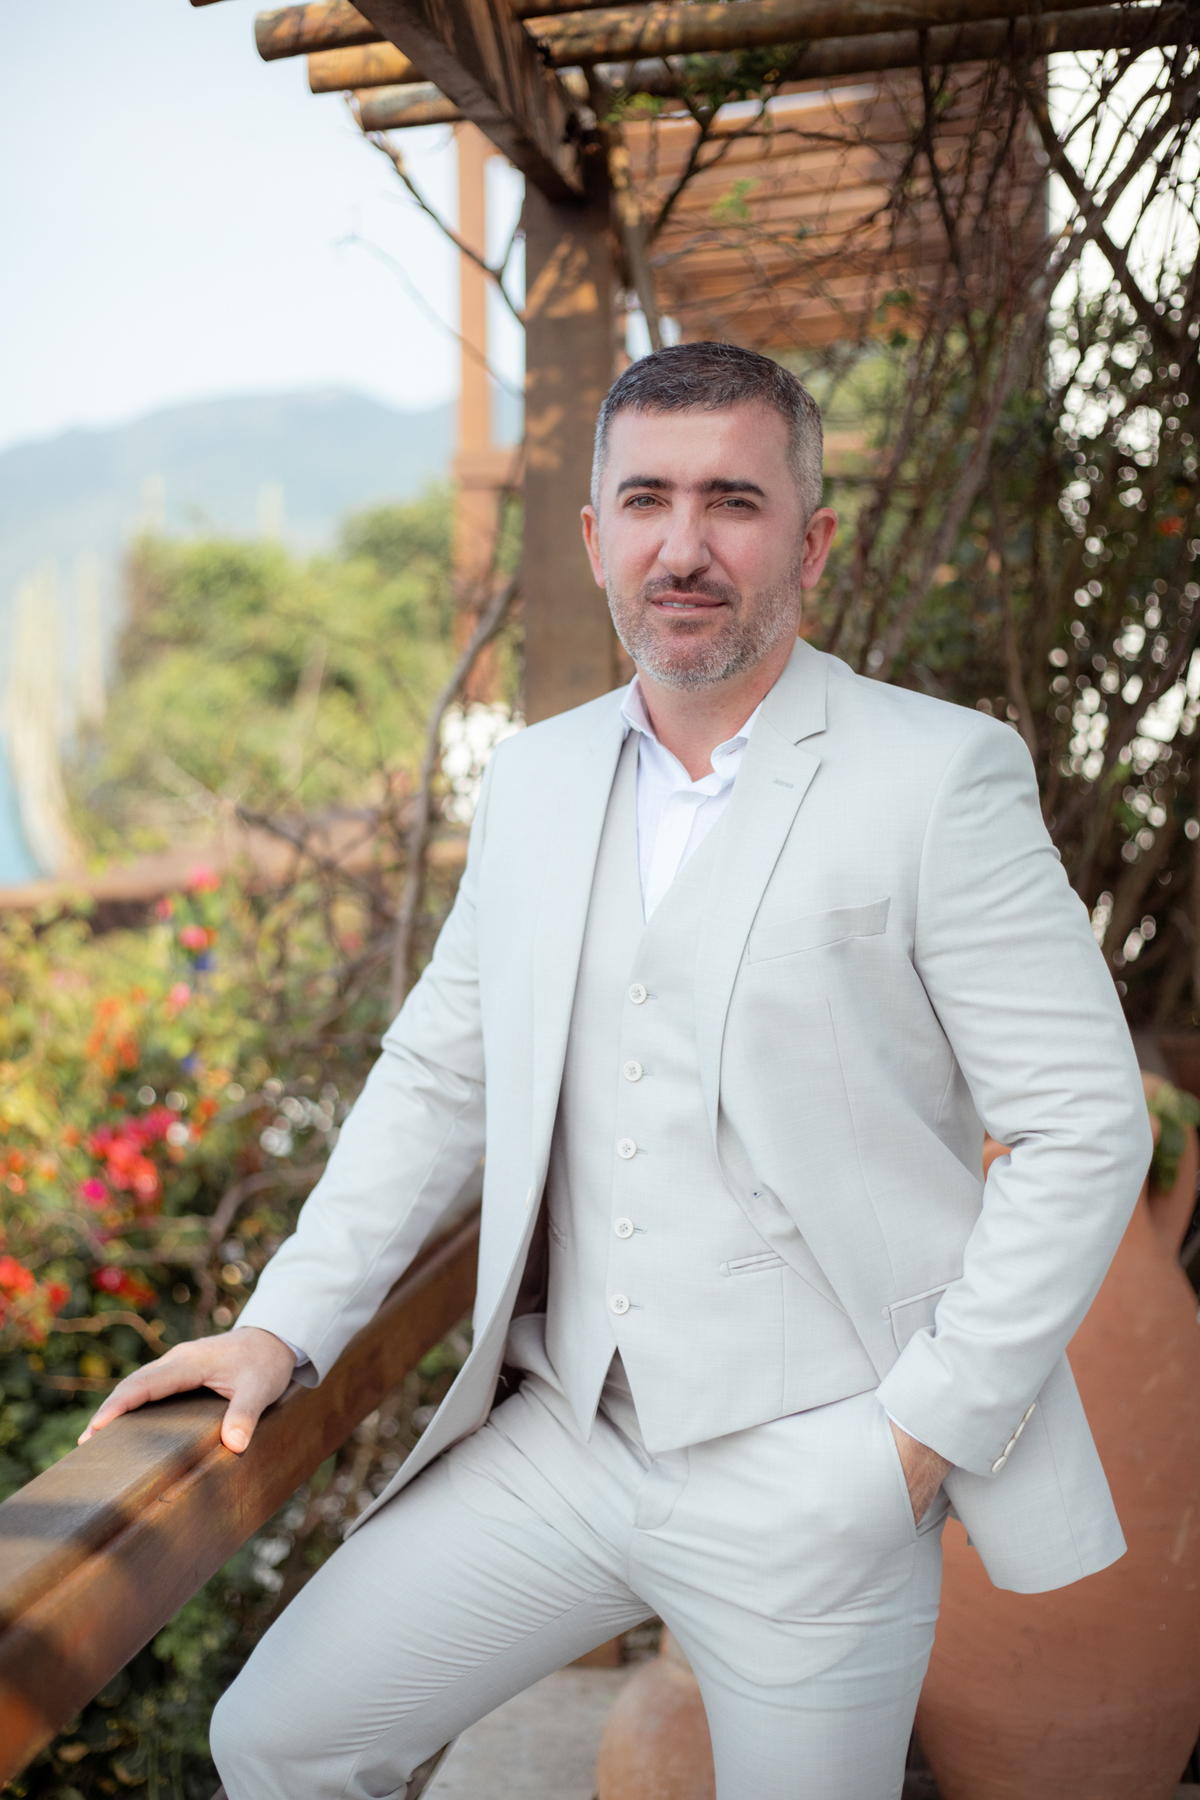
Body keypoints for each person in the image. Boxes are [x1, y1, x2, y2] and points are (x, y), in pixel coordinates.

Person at [83, 342, 1151, 1799]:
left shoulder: (936, 776)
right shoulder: (532, 781)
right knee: (280, 1739)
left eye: (734, 501)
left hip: (824, 1470)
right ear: (596, 539)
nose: (683, 545)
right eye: (647, 499)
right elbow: (438, 1079)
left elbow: (1085, 1127)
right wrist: (284, 1325)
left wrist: (917, 1441)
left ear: (811, 542)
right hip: (568, 1441)